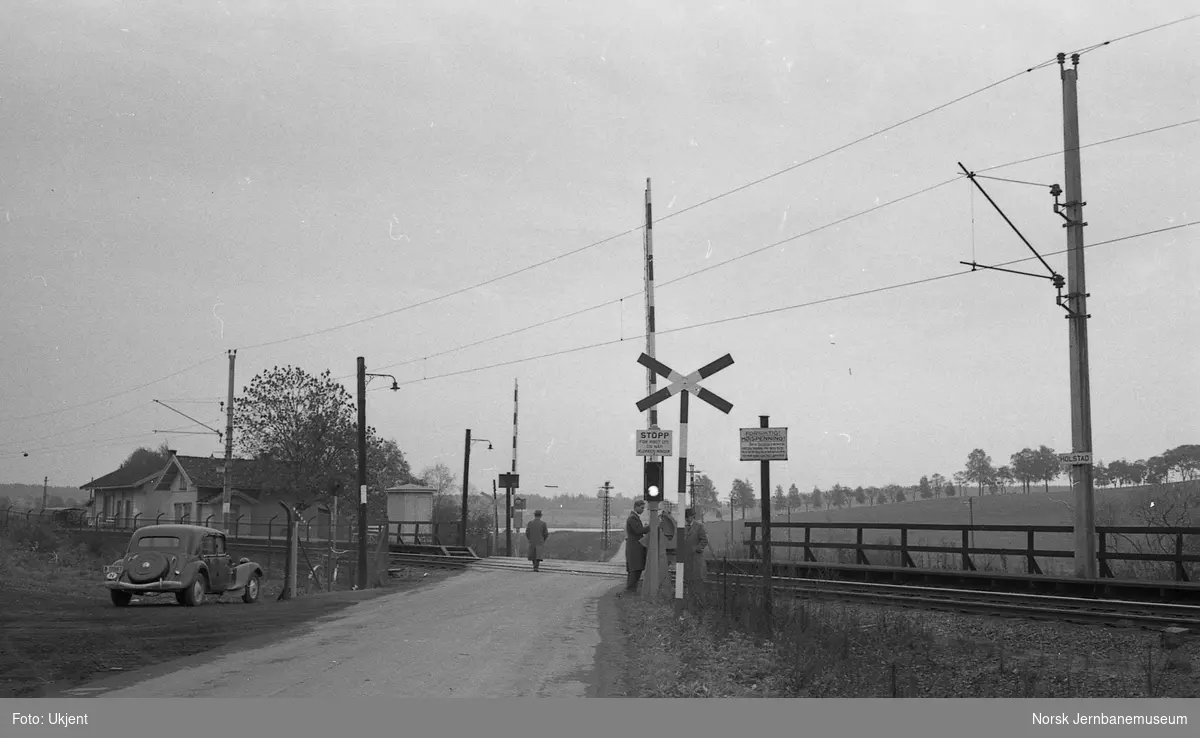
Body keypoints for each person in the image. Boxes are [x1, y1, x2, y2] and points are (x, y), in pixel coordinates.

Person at [682, 508, 709, 601]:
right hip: (687, 558)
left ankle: (701, 601)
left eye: (688, 517)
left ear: (693, 516)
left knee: (698, 579)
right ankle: (691, 600)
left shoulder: (699, 526)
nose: (687, 519)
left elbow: (704, 540)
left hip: (696, 558)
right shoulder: (684, 527)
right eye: (685, 517)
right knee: (688, 580)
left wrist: (697, 549)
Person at [624, 499, 648, 593]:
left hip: (635, 547)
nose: (643, 510)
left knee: (636, 569)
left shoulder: (634, 517)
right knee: (634, 570)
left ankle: (631, 590)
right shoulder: (632, 518)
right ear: (636, 507)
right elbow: (639, 530)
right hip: (634, 548)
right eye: (642, 508)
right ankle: (630, 590)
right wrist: (651, 527)